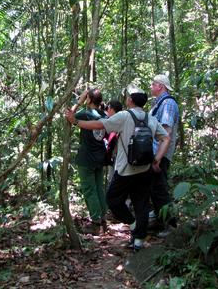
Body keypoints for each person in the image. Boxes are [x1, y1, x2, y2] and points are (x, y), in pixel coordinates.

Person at [65, 84, 169, 250]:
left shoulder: (123, 116)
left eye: (128, 97)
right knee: (141, 203)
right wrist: (157, 159)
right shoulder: (151, 118)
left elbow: (100, 125)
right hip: (144, 169)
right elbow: (166, 138)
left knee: (113, 200)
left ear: (131, 101)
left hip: (125, 169)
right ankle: (138, 240)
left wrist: (76, 121)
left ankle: (134, 225)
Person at [70, 88, 108, 234]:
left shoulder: (85, 114)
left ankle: (96, 223)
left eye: (87, 98)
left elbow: (69, 116)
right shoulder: (103, 114)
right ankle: (102, 221)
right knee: (98, 188)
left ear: (90, 100)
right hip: (99, 157)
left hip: (87, 158)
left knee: (89, 190)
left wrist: (79, 101)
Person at [149, 72, 180, 235]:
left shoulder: (167, 104)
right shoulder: (158, 103)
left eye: (153, 84)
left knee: (160, 189)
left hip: (159, 154)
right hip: (155, 153)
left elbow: (165, 133)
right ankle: (160, 220)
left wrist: (158, 158)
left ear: (160, 86)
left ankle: (170, 225)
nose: (151, 87)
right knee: (154, 188)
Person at [104, 100, 122, 184]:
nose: (107, 110)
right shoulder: (122, 119)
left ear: (111, 109)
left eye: (108, 108)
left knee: (113, 181)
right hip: (118, 157)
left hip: (116, 157)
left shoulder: (113, 122)